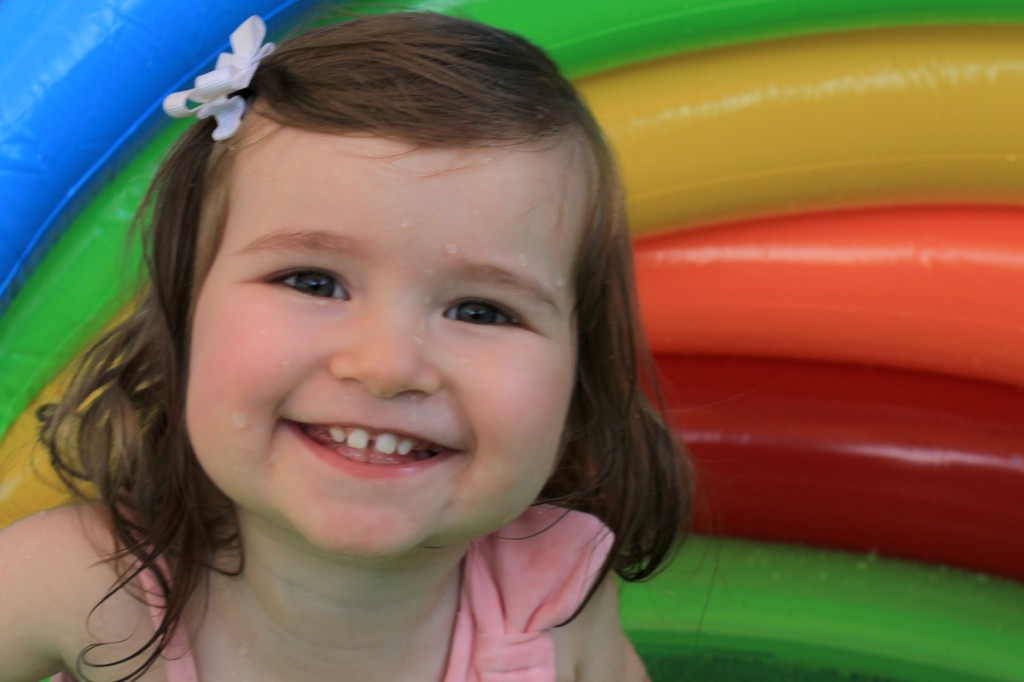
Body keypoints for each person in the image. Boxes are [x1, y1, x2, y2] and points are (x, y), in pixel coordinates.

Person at [0, 11, 689, 681]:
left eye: (481, 310)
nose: (388, 366)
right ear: (185, 312)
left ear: (580, 377)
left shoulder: (554, 598)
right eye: (314, 282)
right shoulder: (75, 584)